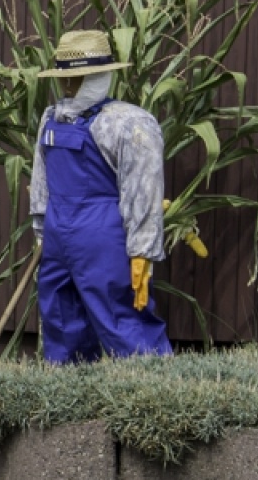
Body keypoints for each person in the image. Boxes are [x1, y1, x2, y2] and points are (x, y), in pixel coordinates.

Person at [29, 29, 171, 364]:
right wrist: (40, 229)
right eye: (64, 78)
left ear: (95, 77)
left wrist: (142, 250)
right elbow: (41, 179)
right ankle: (70, 401)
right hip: (57, 232)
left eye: (75, 79)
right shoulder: (50, 119)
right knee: (61, 321)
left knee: (122, 317)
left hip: (102, 236)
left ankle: (153, 396)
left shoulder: (128, 123)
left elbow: (144, 189)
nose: (67, 87)